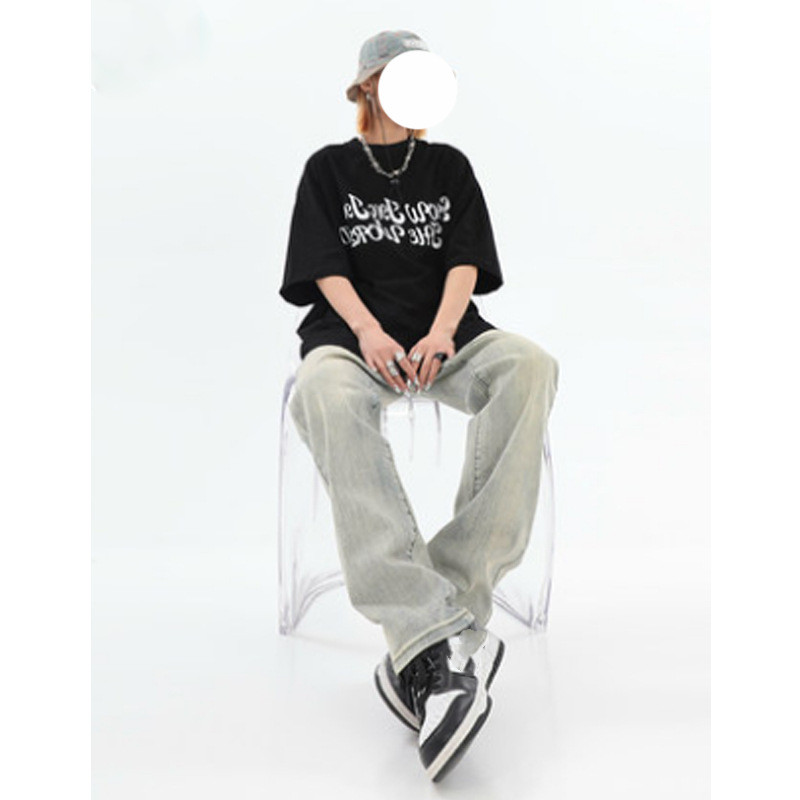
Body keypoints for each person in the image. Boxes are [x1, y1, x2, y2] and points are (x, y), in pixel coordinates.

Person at [278, 30, 560, 782]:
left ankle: (442, 618)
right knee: (323, 391)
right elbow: (324, 266)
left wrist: (440, 332)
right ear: (369, 84)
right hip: (351, 340)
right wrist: (368, 333)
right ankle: (438, 642)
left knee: (529, 366)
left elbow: (465, 260)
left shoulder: (448, 167)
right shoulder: (328, 168)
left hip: (446, 335)